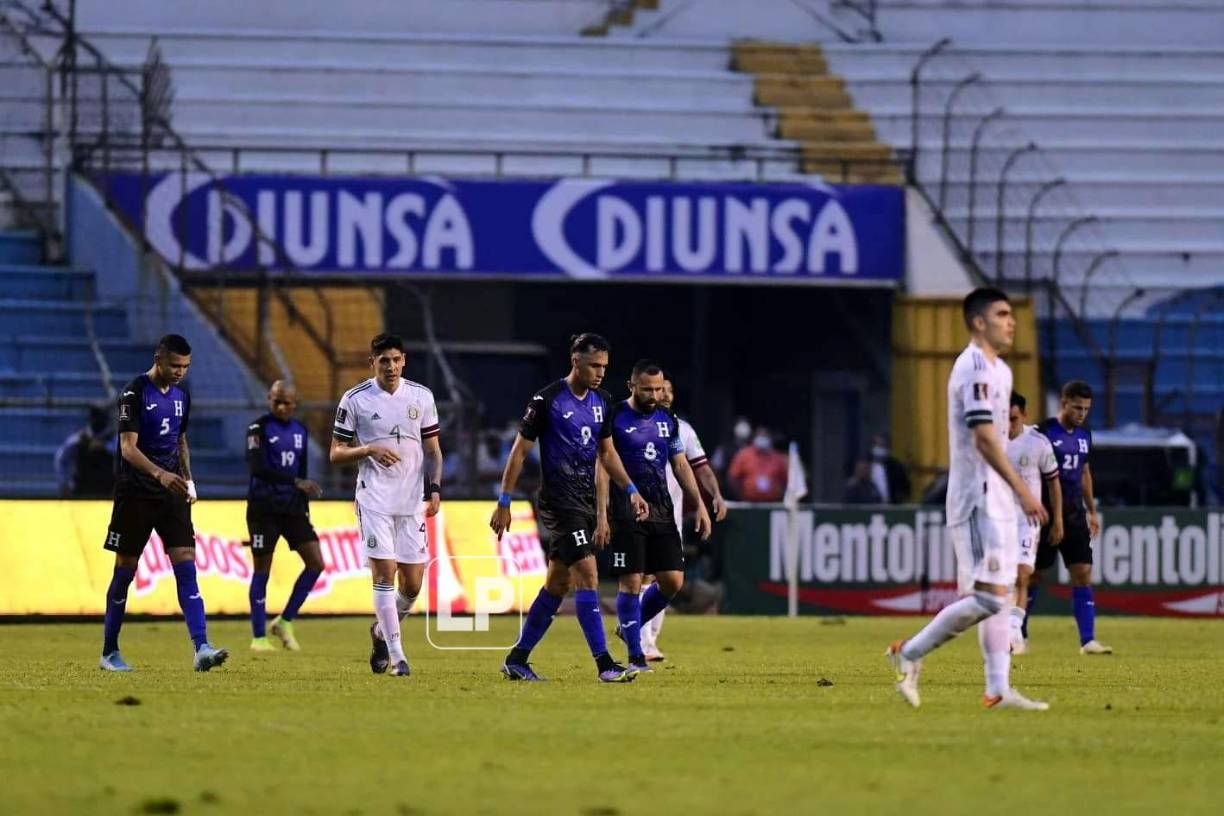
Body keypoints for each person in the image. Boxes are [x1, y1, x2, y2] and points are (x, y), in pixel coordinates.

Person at [886, 288, 1049, 710]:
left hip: (995, 497)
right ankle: (909, 652)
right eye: (1002, 314)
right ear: (979, 322)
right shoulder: (974, 367)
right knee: (992, 597)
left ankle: (998, 689)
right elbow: (983, 439)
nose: (1011, 322)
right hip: (975, 497)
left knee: (1002, 591)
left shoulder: (1001, 371)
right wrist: (1023, 489)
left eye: (1012, 314)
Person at [490, 332, 649, 683]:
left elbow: (607, 454)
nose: (600, 372)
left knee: (557, 583)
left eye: (604, 367)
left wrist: (632, 489)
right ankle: (605, 664)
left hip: (586, 502)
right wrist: (504, 500)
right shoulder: (546, 400)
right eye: (594, 365)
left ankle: (517, 659)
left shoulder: (603, 401)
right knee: (587, 574)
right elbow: (519, 451)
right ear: (575, 361)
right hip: (559, 503)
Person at [99, 334, 228, 672]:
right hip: (137, 491)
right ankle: (109, 652)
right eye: (174, 365)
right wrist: (159, 475)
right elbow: (128, 447)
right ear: (159, 357)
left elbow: (180, 440)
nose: (179, 372)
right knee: (125, 572)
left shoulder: (182, 396)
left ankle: (201, 647)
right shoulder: (134, 391)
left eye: (184, 367)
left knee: (187, 567)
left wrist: (188, 479)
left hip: (171, 492)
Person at [330, 333, 443, 678]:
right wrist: (368, 449)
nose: (391, 366)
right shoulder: (355, 400)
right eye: (384, 361)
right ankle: (398, 657)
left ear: (404, 361)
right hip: (374, 499)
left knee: (412, 584)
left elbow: (433, 450)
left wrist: (435, 488)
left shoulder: (421, 396)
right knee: (384, 576)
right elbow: (336, 453)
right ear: (372, 363)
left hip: (410, 503)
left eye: (396, 360)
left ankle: (380, 632)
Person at [599, 361, 712, 671]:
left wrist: (699, 504)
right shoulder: (615, 416)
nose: (654, 394)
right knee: (632, 582)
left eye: (658, 388)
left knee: (672, 581)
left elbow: (680, 464)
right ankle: (636, 656)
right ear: (631, 386)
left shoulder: (668, 420)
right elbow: (603, 466)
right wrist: (602, 514)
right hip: (627, 511)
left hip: (662, 510)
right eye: (647, 389)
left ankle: (629, 628)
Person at [637, 377, 728, 661]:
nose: (663, 393)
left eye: (668, 389)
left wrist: (714, 495)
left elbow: (700, 468)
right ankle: (643, 641)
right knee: (642, 577)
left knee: (668, 580)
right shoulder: (632, 424)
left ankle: (641, 633)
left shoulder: (682, 430)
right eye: (657, 388)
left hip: (670, 517)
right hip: (638, 514)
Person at [1030, 380, 1112, 655]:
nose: (1081, 413)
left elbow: (1085, 473)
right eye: (1077, 407)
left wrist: (1091, 510)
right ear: (1063, 403)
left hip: (1075, 514)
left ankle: (1087, 640)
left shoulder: (1085, 434)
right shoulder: (1043, 432)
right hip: (1046, 513)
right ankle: (1019, 635)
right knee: (1033, 575)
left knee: (1083, 573)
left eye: (1086, 409)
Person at [245, 380, 325, 652]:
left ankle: (285, 620)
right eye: (276, 400)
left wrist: (303, 503)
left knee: (316, 563)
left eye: (286, 402)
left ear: (295, 404)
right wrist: (295, 483)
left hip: (292, 508)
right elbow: (257, 469)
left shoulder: (301, 431)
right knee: (261, 571)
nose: (280, 406)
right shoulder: (259, 428)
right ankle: (258, 638)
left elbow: (300, 476)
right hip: (263, 509)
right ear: (269, 398)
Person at [1004, 392, 1062, 654]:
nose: (1008, 425)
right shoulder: (991, 441)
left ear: (1024, 416)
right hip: (996, 518)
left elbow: (1053, 481)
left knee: (1022, 573)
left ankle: (1015, 632)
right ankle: (1009, 630)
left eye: (1013, 419)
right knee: (1001, 581)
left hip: (1026, 520)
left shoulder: (1038, 442)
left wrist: (1058, 518)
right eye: (1004, 418)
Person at [55, 404, 115, 497]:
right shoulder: (78, 439)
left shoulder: (113, 439)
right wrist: (64, 483)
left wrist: (105, 447)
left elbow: (124, 452)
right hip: (82, 490)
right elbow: (61, 458)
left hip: (107, 491)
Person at [727, 426, 788, 502]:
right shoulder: (743, 455)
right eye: (760, 436)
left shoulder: (778, 458)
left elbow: (785, 481)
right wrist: (741, 497)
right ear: (754, 438)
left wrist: (779, 496)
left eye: (765, 436)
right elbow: (732, 478)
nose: (762, 439)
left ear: (770, 438)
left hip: (772, 503)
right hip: (748, 503)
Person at [870, 434, 911, 504]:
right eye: (877, 445)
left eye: (882, 446)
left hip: (891, 507)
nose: (880, 449)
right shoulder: (867, 463)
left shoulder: (896, 466)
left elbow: (905, 488)